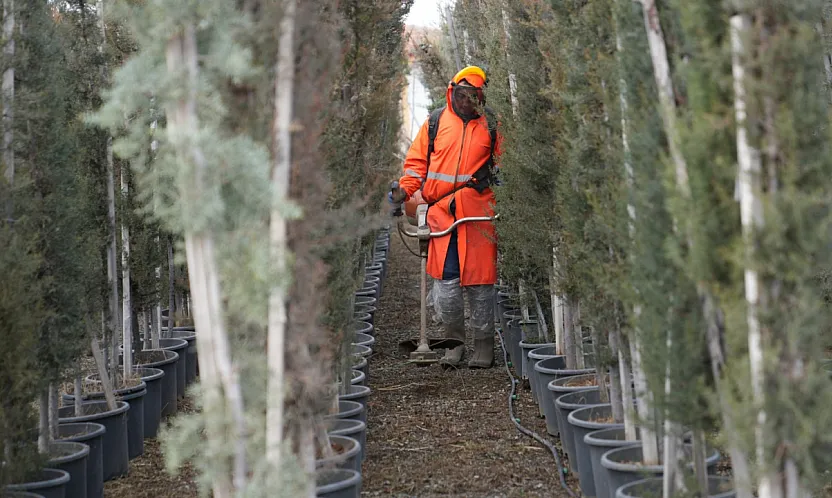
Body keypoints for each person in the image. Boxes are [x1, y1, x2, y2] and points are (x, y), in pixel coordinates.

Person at [390, 65, 502, 369]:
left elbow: (504, 168)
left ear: (481, 97)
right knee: (447, 285)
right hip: (442, 217)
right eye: (461, 95)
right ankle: (454, 344)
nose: (466, 102)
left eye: (472, 96)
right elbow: (416, 166)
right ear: (452, 93)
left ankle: (483, 345)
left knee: (480, 286)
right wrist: (403, 191)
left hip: (477, 218)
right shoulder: (436, 123)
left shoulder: (492, 126)